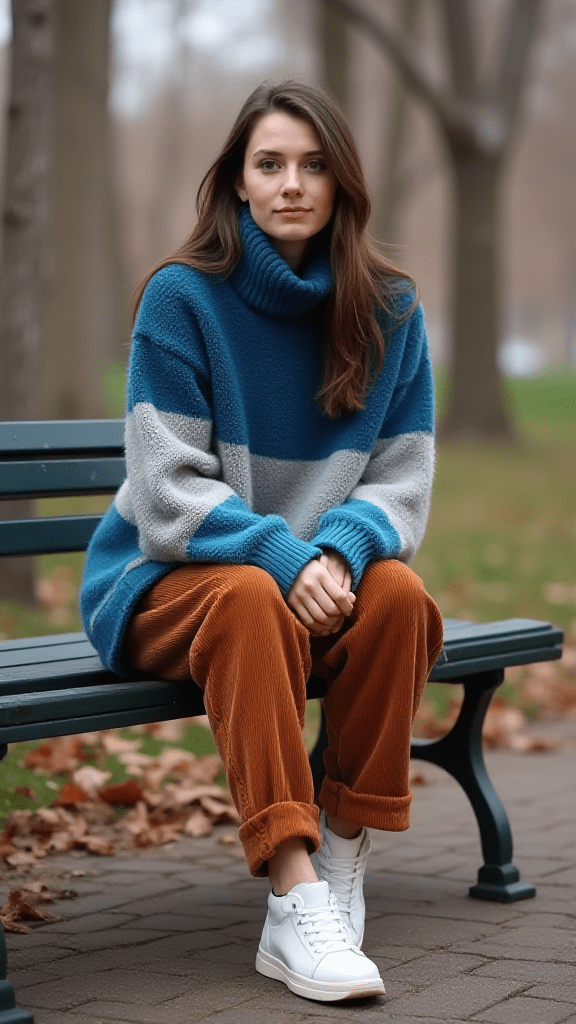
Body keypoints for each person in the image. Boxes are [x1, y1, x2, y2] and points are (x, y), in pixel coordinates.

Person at [80, 80, 444, 1004]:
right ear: (237, 183)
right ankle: (292, 891)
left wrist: (341, 554)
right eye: (270, 163)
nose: (292, 184)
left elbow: (399, 481)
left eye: (314, 165)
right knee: (247, 595)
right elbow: (165, 493)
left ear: (343, 184)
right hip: (169, 577)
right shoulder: (182, 298)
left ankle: (343, 843)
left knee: (401, 596)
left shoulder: (391, 310)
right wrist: (284, 557)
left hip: (313, 579)